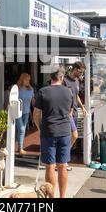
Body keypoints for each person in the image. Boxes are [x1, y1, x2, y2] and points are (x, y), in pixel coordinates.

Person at [33, 65, 73, 198]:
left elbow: (36, 115)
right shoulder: (69, 92)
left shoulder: (43, 92)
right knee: (63, 165)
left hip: (49, 132)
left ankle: (51, 198)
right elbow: (70, 113)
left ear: (50, 78)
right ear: (61, 77)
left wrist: (40, 128)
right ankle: (62, 196)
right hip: (65, 132)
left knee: (50, 166)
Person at [63, 62, 89, 150]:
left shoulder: (77, 81)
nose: (82, 74)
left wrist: (82, 107)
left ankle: (64, 153)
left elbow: (76, 95)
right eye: (80, 72)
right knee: (74, 135)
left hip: (74, 112)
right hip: (67, 113)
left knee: (70, 136)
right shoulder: (64, 81)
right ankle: (64, 152)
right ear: (75, 69)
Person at [16, 73, 35, 156]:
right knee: (22, 129)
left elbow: (33, 101)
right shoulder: (17, 89)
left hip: (26, 112)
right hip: (18, 112)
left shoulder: (31, 89)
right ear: (22, 79)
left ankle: (20, 147)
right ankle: (20, 149)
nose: (28, 81)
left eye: (29, 80)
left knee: (21, 130)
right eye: (26, 79)